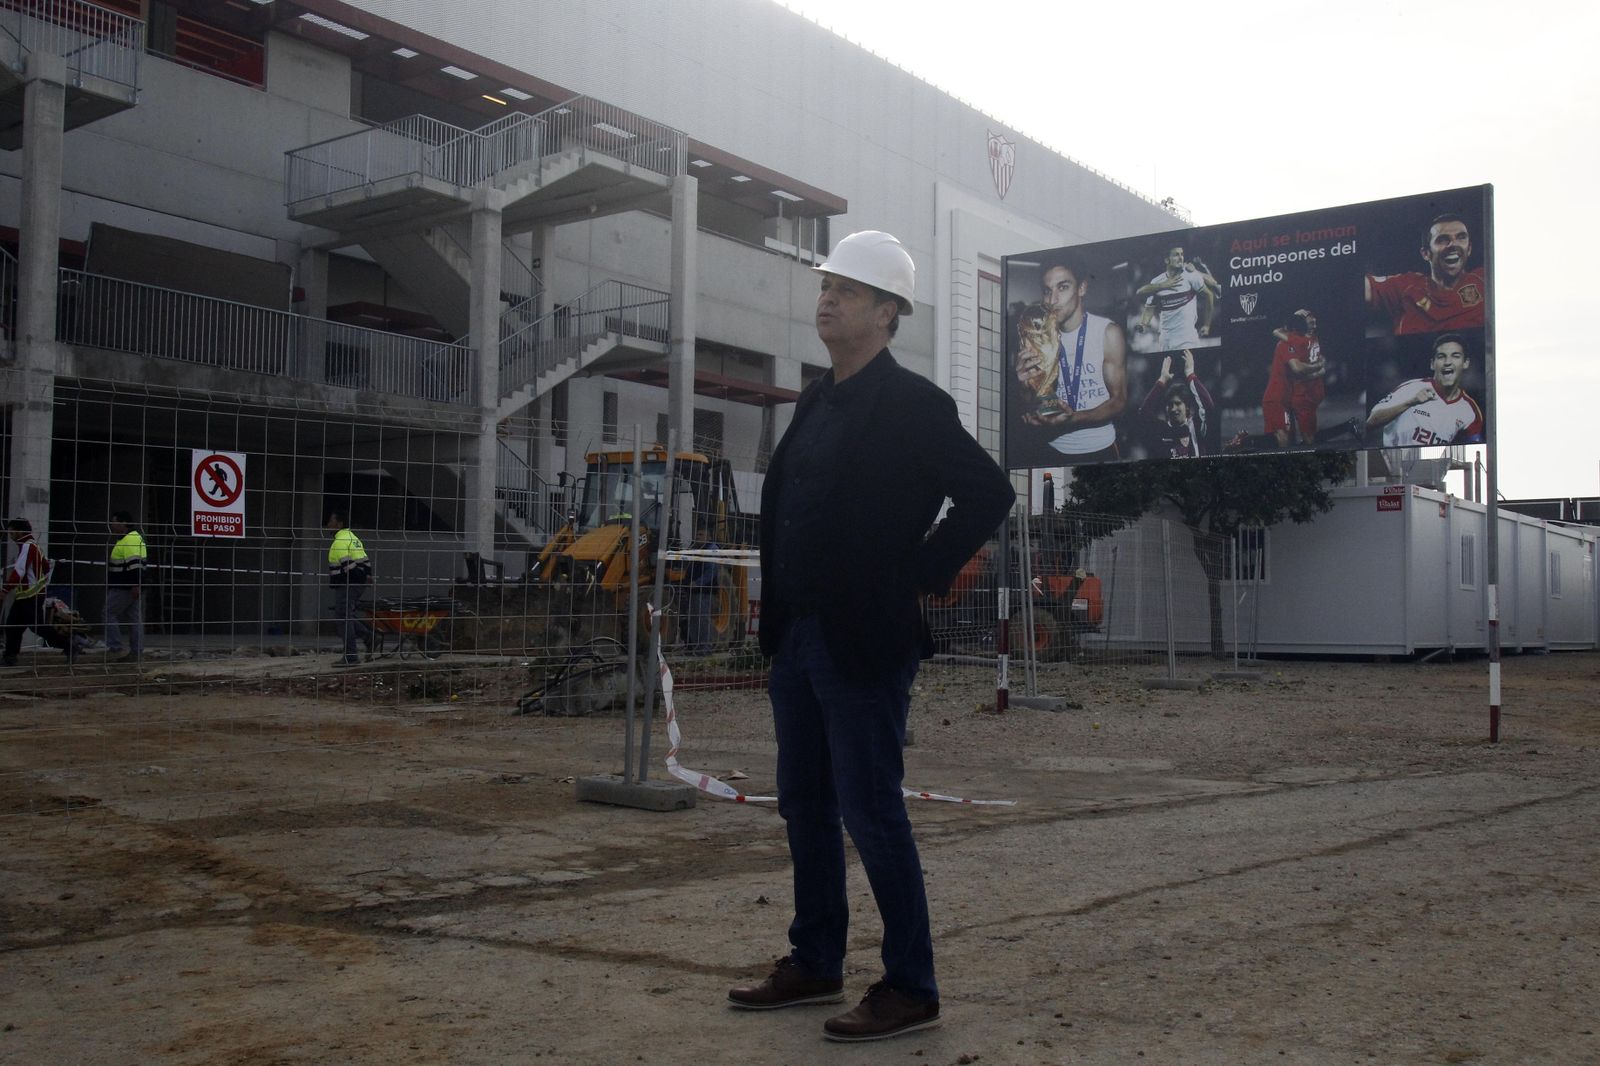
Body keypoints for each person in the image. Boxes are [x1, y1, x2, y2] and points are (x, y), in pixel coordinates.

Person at [728, 230, 1013, 1043]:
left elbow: (988, 494)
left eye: (848, 291)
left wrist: (920, 572)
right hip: (799, 637)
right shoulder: (816, 400)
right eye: (827, 286)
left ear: (888, 313)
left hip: (863, 641)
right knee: (805, 807)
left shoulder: (915, 406)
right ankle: (815, 960)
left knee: (871, 811)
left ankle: (911, 986)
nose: (828, 299)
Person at [1017, 256, 1128, 464]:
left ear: (1082, 288)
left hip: (1100, 448)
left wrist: (1072, 419)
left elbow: (1119, 401)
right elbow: (1031, 403)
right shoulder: (1036, 338)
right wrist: (1023, 387)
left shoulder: (1107, 332)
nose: (1052, 300)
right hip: (1052, 449)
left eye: (1063, 287)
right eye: (1047, 291)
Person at [1365, 213, 1486, 335]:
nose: (1453, 245)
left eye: (1461, 237)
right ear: (1426, 253)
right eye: (1442, 240)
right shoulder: (1407, 287)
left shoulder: (1485, 280)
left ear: (1469, 249)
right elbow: (1359, 287)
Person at [1366, 333, 1484, 448]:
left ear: (1465, 363)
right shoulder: (1411, 388)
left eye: (1455, 356)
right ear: (1432, 364)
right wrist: (1410, 402)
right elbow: (1371, 422)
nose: (1448, 362)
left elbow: (1476, 448)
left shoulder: (1470, 410)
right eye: (1441, 356)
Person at [1261, 308, 1328, 447]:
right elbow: (1298, 368)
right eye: (1310, 323)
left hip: (1290, 396)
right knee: (1287, 439)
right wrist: (1319, 368)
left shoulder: (1295, 341)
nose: (1313, 327)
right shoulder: (1296, 342)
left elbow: (1276, 331)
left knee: (1293, 440)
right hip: (1278, 397)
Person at [1135, 245, 1217, 350]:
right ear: (1167, 260)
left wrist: (1207, 324)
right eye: (1176, 255)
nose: (1180, 258)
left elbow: (1209, 295)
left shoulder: (1190, 276)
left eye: (1182, 254)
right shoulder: (1157, 281)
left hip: (1187, 338)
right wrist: (1143, 324)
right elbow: (1149, 308)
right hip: (1165, 339)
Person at [2, 517, 59, 666]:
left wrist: (5, 589)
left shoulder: (27, 546)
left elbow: (19, 571)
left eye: (12, 531)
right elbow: (47, 567)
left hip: (30, 596)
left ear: (20, 531)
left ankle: (69, 645)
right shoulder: (34, 546)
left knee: (35, 627)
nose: (10, 534)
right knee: (13, 626)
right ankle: (10, 656)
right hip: (29, 595)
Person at [1137, 350, 1214, 458]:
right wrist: (1162, 380)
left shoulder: (1196, 426)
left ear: (1187, 407)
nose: (1173, 409)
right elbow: (1144, 413)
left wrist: (1191, 375)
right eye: (1170, 404)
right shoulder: (1162, 429)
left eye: (1178, 403)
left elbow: (1208, 406)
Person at [325, 510, 372, 667]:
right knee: (346, 615)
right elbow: (365, 560)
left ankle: (351, 656)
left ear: (339, 524)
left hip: (348, 584)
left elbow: (349, 568)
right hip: (356, 584)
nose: (328, 524)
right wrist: (366, 576)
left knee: (343, 618)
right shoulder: (354, 538)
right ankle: (369, 637)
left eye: (331, 521)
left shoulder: (339, 542)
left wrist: (356, 579)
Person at [105, 510, 147, 663]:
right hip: (129, 586)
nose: (112, 524)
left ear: (123, 523)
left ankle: (115, 647)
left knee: (108, 613)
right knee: (134, 619)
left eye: (114, 521)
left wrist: (135, 584)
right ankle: (136, 652)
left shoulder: (130, 540)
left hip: (124, 587)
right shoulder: (128, 539)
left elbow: (135, 564)